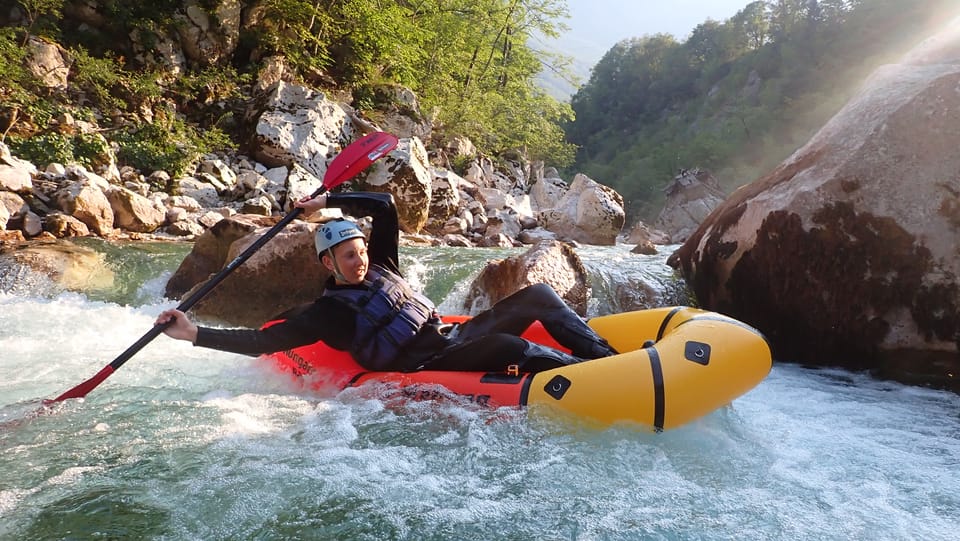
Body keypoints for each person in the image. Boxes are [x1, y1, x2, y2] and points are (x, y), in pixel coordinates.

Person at [156, 191, 617, 373]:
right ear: (327, 264)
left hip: (452, 335)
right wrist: (192, 332)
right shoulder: (330, 313)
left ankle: (606, 357)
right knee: (509, 348)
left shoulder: (383, 265)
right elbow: (261, 341)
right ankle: (594, 376)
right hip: (427, 362)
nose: (359, 261)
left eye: (359, 251)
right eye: (347, 256)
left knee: (536, 293)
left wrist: (326, 201)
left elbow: (385, 206)